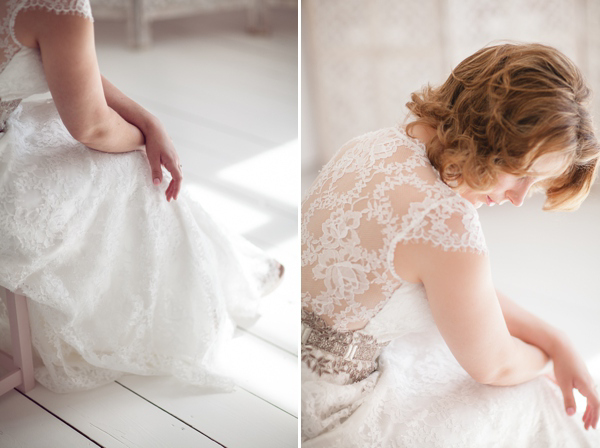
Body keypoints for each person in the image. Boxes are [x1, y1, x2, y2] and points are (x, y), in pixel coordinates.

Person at [301, 43, 600, 446]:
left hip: (299, 368)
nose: (519, 197)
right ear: (492, 136)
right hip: (333, 413)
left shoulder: (373, 144)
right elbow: (494, 366)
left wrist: (554, 338)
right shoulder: (444, 219)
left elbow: (461, 290)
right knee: (536, 394)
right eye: (521, 173)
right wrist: (550, 361)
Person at [0, 0, 283, 393]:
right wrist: (145, 142)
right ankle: (183, 305)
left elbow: (68, 65)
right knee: (134, 168)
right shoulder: (57, 5)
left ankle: (226, 261)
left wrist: (147, 120)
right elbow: (93, 128)